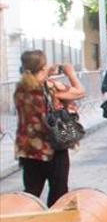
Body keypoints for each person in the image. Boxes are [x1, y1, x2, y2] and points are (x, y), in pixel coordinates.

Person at [14, 51, 85, 207]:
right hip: (53, 147)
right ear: (43, 66)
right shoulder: (50, 86)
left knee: (31, 192)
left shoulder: (20, 88)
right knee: (58, 192)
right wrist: (70, 73)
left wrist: (47, 72)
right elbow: (80, 92)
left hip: (29, 149)